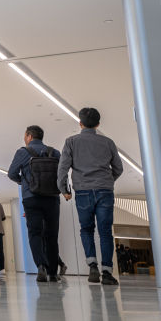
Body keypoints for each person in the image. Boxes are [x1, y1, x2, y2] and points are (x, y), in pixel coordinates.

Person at [57, 107, 124, 286]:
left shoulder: (71, 142)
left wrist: (64, 189)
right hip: (105, 191)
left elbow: (63, 168)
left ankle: (92, 265)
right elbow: (119, 168)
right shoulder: (108, 142)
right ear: (98, 124)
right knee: (105, 232)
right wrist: (107, 181)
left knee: (86, 229)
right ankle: (107, 272)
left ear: (80, 123)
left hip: (83, 192)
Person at [7, 125, 62, 282]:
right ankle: (53, 272)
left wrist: (24, 182)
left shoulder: (22, 152)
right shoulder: (54, 152)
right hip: (52, 197)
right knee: (52, 235)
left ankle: (41, 266)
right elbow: (61, 174)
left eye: (25, 136)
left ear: (29, 136)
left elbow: (11, 173)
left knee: (35, 233)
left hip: (31, 197)